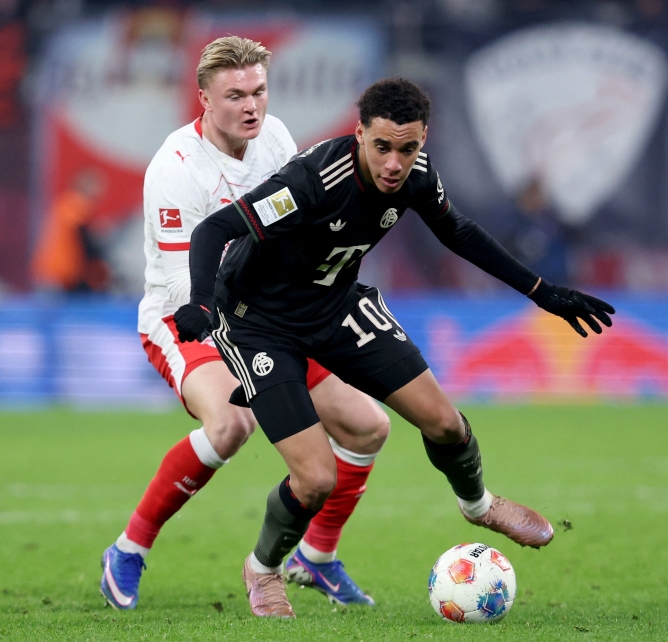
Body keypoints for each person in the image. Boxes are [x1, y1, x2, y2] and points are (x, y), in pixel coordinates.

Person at [173, 77, 615, 618]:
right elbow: (213, 230)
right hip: (259, 323)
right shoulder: (311, 182)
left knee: (446, 423)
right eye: (381, 146)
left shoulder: (417, 175)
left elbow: (458, 232)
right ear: (359, 133)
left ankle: (478, 505)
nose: (393, 164)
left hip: (335, 307)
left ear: (422, 139)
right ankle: (263, 569)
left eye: (407, 149)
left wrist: (542, 291)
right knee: (315, 480)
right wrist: (199, 302)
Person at [100, 36, 389, 612]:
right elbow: (183, 284)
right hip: (186, 318)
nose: (251, 106)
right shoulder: (176, 167)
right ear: (205, 98)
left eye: (258, 91)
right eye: (235, 95)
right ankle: (129, 549)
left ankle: (316, 556)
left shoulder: (275, 138)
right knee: (232, 424)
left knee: (367, 427)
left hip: (266, 314)